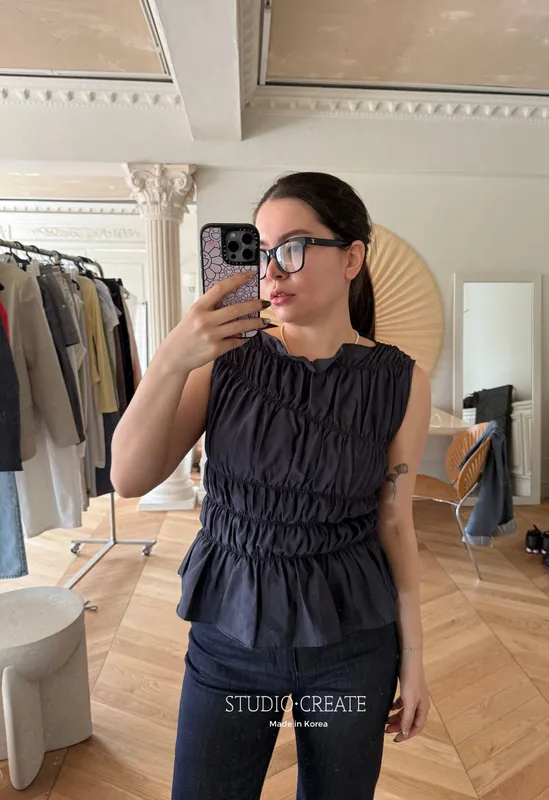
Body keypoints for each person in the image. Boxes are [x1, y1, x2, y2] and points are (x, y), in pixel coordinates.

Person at [111, 172, 432, 800]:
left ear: (352, 258)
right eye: (260, 251)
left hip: (351, 646)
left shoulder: (401, 381)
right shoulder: (223, 360)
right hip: (230, 636)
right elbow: (128, 476)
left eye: (293, 247)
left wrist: (415, 661)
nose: (271, 270)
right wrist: (174, 355)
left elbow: (395, 523)